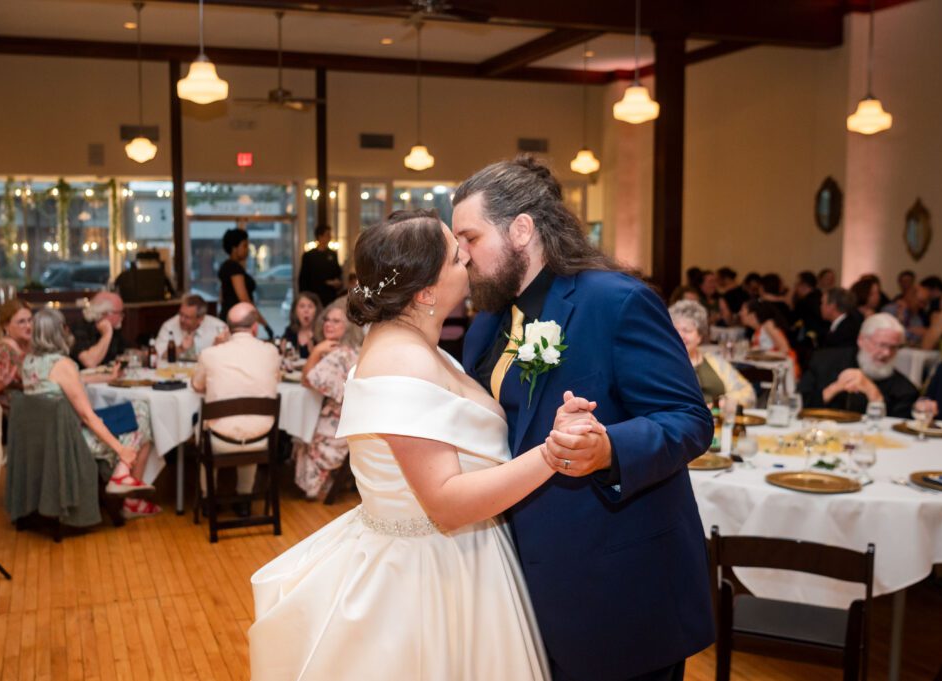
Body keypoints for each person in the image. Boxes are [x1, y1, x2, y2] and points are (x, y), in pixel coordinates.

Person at [249, 209, 604, 680]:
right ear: (426, 292)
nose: (469, 258)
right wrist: (551, 454)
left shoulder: (414, 345)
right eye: (457, 257)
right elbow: (446, 503)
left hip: (461, 557)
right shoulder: (401, 364)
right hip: (427, 576)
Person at [453, 156, 715, 681]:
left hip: (618, 589)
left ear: (521, 230)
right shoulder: (486, 324)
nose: (461, 255)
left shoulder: (616, 301)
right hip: (519, 584)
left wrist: (609, 449)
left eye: (470, 238)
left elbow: (689, 418)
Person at [23, 308, 159, 518]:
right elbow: (87, 416)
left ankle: (122, 475)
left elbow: (67, 382)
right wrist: (121, 450)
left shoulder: (30, 362)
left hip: (44, 437)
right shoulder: (63, 364)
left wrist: (106, 377)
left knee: (136, 411)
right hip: (70, 440)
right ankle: (126, 485)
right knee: (141, 413)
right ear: (59, 332)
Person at [192, 302, 280, 518]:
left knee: (205, 429)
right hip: (262, 438)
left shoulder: (210, 354)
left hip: (220, 441)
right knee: (250, 422)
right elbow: (276, 378)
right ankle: (244, 500)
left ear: (227, 328)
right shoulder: (271, 351)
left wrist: (217, 347)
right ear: (255, 327)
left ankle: (208, 499)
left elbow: (197, 385)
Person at [293, 298, 364, 500]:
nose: (328, 324)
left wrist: (316, 351)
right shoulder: (352, 351)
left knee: (302, 432)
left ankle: (317, 488)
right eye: (327, 319)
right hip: (352, 423)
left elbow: (307, 380)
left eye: (336, 321)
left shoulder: (339, 355)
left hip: (336, 426)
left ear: (348, 327)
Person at [799, 313, 918, 417]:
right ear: (861, 340)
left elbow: (897, 429)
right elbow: (797, 404)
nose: (887, 353)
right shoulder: (824, 361)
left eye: (893, 347)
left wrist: (874, 394)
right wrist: (833, 388)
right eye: (882, 345)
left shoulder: (905, 390)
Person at [669, 300, 755, 408]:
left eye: (687, 330)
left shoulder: (715, 362)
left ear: (700, 336)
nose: (680, 336)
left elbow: (748, 393)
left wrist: (723, 403)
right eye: (675, 331)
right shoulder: (663, 365)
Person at [217, 228, 273, 336]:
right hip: (237, 320)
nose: (247, 250)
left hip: (231, 318)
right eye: (244, 246)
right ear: (234, 248)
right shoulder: (233, 267)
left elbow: (221, 297)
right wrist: (265, 324)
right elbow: (244, 299)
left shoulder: (228, 266)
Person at [154, 294, 228, 362]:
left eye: (187, 317)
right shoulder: (169, 326)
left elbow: (229, 357)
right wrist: (180, 348)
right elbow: (158, 355)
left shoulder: (219, 328)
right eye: (181, 314)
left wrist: (218, 348)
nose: (182, 320)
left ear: (200, 319)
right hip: (175, 370)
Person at [70, 291, 130, 369]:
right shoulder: (79, 328)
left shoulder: (115, 329)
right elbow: (90, 362)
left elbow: (125, 353)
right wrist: (107, 334)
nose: (122, 316)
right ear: (106, 313)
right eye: (119, 312)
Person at [298, 224, 343, 306]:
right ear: (320, 237)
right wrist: (304, 297)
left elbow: (338, 273)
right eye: (327, 235)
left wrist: (337, 282)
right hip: (314, 296)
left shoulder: (332, 254)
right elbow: (303, 279)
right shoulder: (309, 256)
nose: (330, 237)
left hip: (330, 296)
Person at [280, 291, 322, 359]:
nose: (306, 310)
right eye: (302, 306)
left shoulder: (322, 333)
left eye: (310, 306)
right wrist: (283, 352)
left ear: (316, 311)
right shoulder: (290, 331)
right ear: (295, 311)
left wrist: (314, 353)